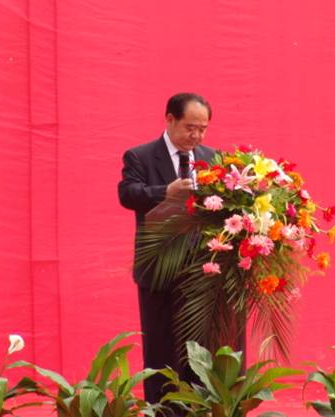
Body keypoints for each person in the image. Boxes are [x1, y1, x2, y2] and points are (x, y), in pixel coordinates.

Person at [118, 93, 215, 406]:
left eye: (202, 129)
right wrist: (165, 192)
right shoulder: (141, 156)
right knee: (161, 352)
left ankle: (198, 409)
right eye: (190, 127)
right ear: (170, 119)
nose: (196, 135)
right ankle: (162, 411)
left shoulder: (212, 158)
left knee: (199, 354)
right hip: (159, 271)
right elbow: (128, 194)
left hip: (201, 274)